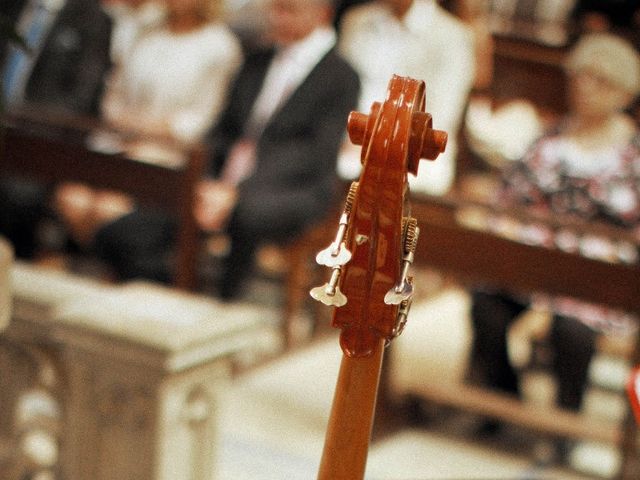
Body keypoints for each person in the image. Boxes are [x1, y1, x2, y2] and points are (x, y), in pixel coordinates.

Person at [88, 0, 361, 296]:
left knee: (246, 213)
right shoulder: (257, 58)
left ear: (322, 14)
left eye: (288, 9)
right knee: (126, 231)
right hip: (225, 177)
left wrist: (237, 191)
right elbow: (224, 130)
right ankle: (169, 289)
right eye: (275, 7)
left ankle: (224, 301)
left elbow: (312, 156)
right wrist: (208, 179)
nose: (276, 17)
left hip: (290, 188)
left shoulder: (341, 76)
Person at [468, 32, 640, 449]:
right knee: (486, 303)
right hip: (531, 263)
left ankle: (567, 420)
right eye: (581, 77)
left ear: (622, 92)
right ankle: (500, 400)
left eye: (600, 81)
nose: (586, 88)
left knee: (573, 330)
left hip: (594, 279)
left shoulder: (632, 155)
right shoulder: (550, 138)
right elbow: (508, 196)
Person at [53, 0, 243, 256]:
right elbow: (114, 92)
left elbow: (200, 120)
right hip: (117, 139)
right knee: (72, 199)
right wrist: (124, 124)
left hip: (168, 153)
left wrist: (149, 131)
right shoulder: (146, 31)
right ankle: (90, 266)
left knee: (108, 209)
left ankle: (96, 268)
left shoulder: (220, 46)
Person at [0, 0, 113, 259]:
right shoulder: (11, 7)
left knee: (18, 195)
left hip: (39, 146)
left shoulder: (92, 19)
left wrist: (19, 125)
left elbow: (78, 101)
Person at [337, 0, 475, 196]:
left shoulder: (453, 36)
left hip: (417, 155)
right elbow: (339, 94)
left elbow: (441, 119)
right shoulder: (356, 20)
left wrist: (380, 144)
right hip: (350, 142)